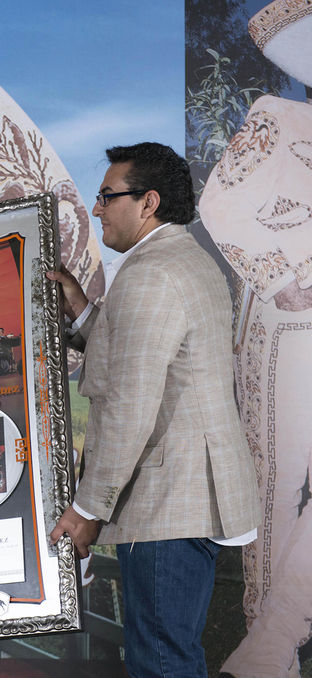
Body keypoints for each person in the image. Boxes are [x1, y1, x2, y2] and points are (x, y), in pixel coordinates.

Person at [45, 142, 259, 677]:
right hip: (185, 502)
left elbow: (130, 403)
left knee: (161, 662)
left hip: (166, 507)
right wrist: (81, 309)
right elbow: (142, 357)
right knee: (169, 655)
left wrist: (87, 510)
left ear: (148, 202)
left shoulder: (150, 273)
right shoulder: (182, 258)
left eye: (107, 196)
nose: (97, 209)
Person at [198, 4, 312, 675]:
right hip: (291, 328)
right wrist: (279, 277)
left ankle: (275, 637)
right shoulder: (278, 117)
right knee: (278, 486)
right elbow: (220, 203)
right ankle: (265, 652)